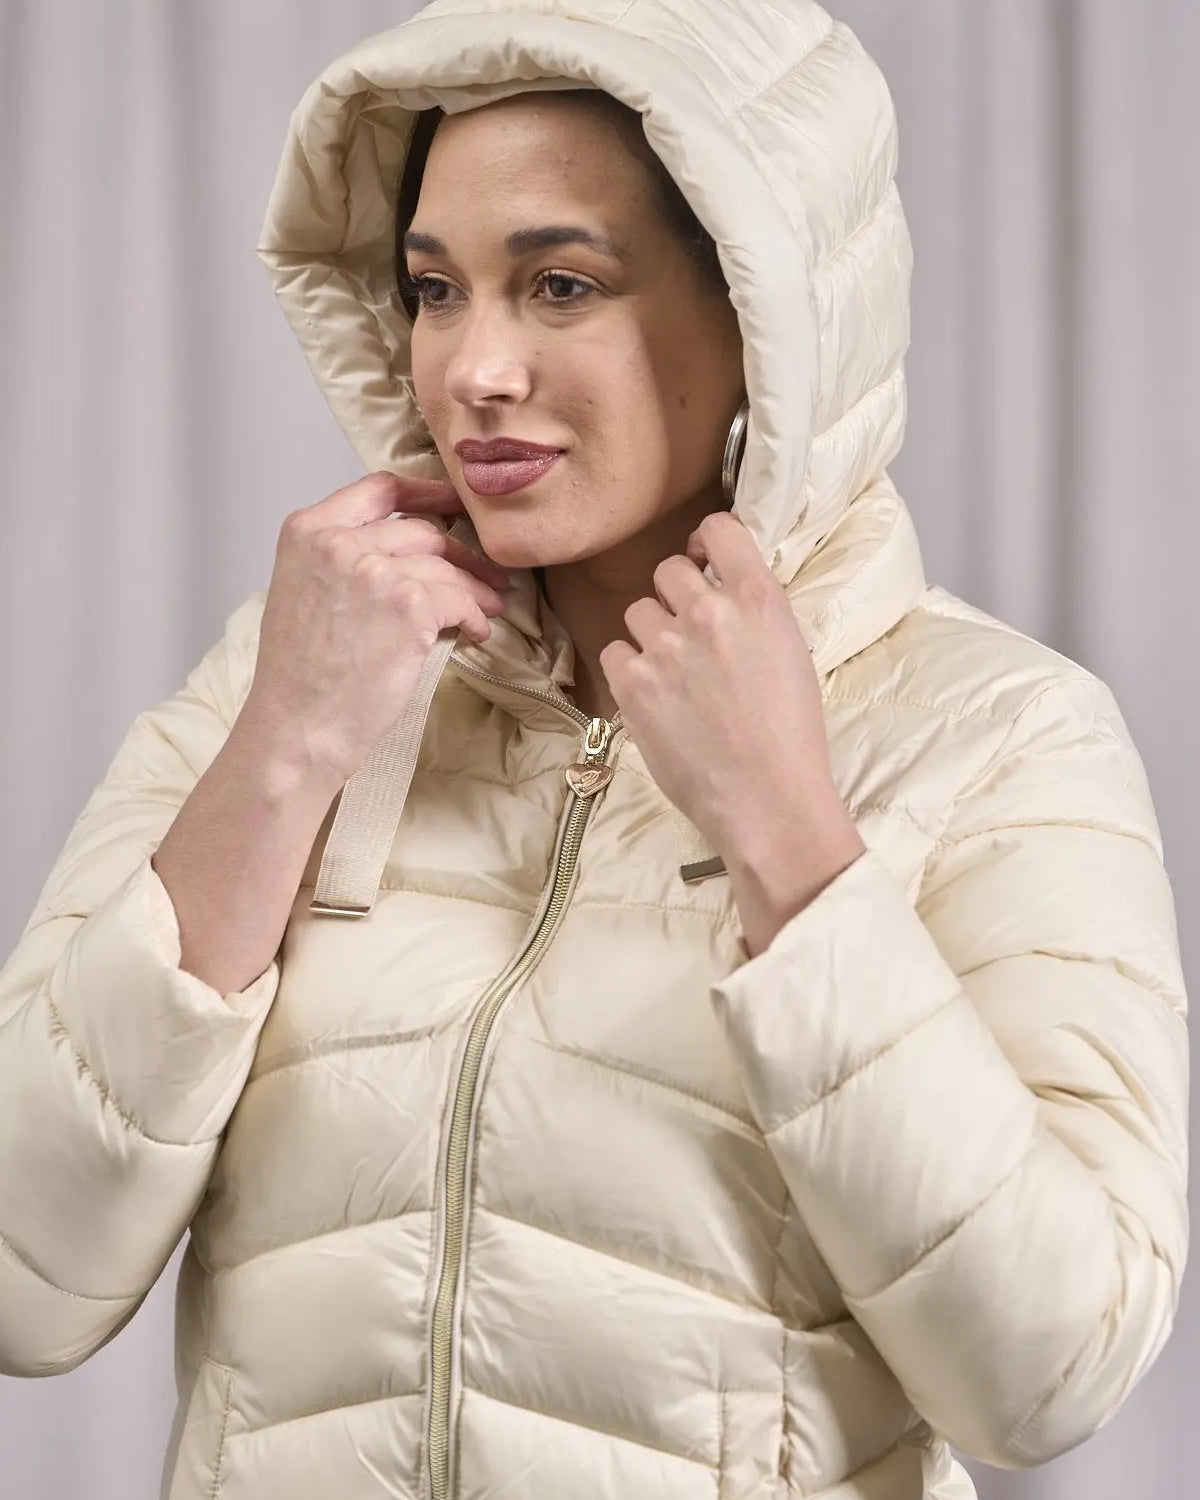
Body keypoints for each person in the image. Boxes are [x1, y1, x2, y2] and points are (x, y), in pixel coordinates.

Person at [0, 1, 1188, 1498]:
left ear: (764, 317)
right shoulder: (289, 674)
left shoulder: (998, 732)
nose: (474, 371)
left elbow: (1049, 1374)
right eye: (436, 291)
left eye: (560, 285)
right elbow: (25, 1284)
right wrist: (286, 751)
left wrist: (791, 839)